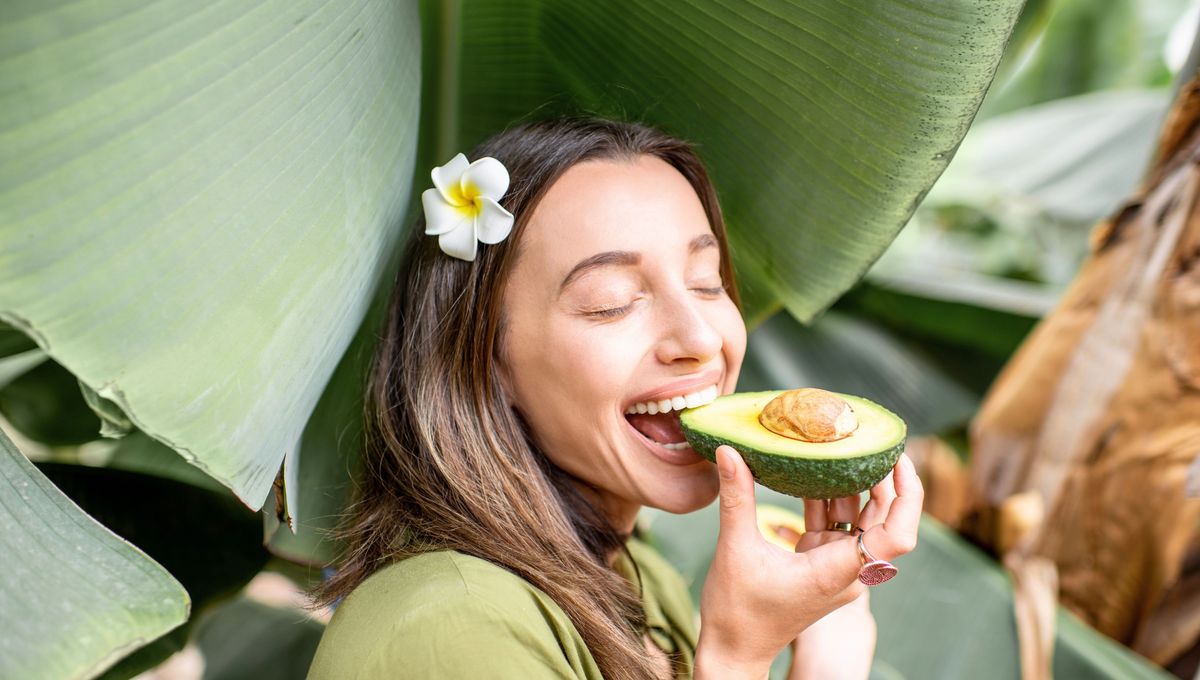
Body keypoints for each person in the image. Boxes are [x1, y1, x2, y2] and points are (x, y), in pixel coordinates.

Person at [306, 117, 923, 680]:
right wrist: (738, 655)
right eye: (612, 300)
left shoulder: (636, 575)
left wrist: (828, 653)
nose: (700, 338)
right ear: (486, 361)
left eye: (707, 283)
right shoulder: (448, 628)